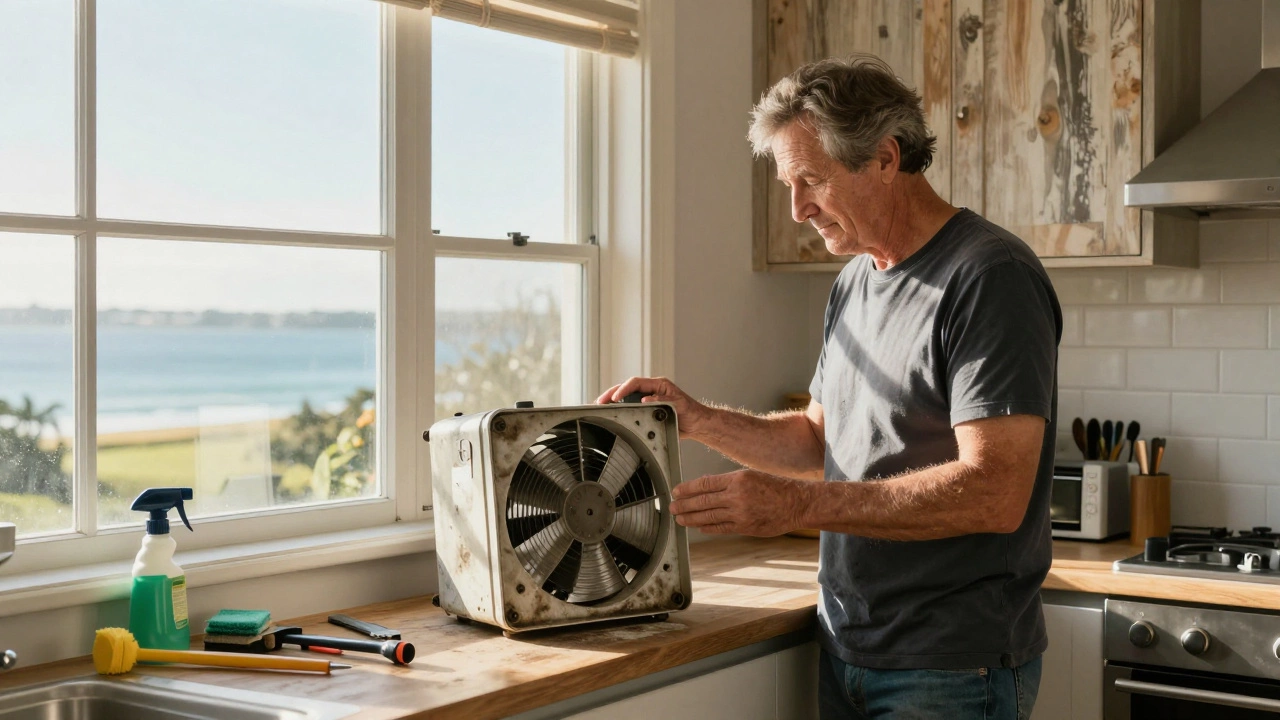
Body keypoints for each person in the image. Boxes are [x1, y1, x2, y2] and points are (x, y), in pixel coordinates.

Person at [597, 55, 1061, 720]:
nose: (797, 210)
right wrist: (693, 418)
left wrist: (793, 507)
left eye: (811, 180)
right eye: (789, 185)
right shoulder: (855, 281)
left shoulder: (990, 276)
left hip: (953, 664)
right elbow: (819, 440)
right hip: (848, 648)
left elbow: (995, 492)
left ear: (884, 158)